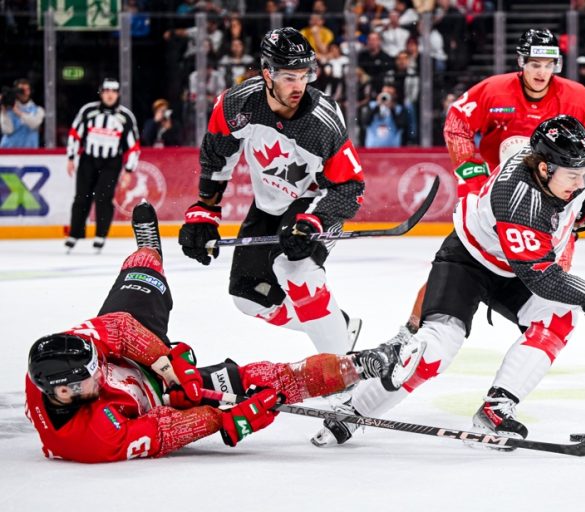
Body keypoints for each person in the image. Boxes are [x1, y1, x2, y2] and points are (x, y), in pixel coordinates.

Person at [312, 116, 585, 447]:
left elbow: (579, 188)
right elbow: (543, 276)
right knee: (434, 351)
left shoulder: (559, 170)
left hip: (514, 268)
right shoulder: (518, 201)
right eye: (576, 176)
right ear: (544, 169)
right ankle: (352, 411)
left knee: (558, 317)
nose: (581, 182)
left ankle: (496, 408)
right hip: (468, 263)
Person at [25, 201, 424, 463]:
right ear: (62, 392)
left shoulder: (70, 353)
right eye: (88, 380)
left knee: (142, 277)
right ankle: (361, 365)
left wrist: (166, 363)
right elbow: (165, 430)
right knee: (265, 381)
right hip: (158, 402)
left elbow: (121, 328)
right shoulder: (91, 440)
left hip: (141, 362)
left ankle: (148, 250)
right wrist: (228, 419)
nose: (96, 377)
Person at [396, 29, 585, 336]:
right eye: (534, 64)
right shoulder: (494, 90)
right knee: (466, 257)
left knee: (551, 273)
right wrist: (471, 172)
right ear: (521, 62)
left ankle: (539, 340)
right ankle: (414, 326)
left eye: (548, 65)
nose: (541, 72)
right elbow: (457, 124)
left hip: (554, 201)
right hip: (499, 198)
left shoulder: (577, 97)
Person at [177, 28, 366, 358]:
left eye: (305, 75)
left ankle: (342, 372)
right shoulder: (238, 104)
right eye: (290, 77)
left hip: (315, 204)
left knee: (296, 270)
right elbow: (217, 155)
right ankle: (338, 327)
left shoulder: (322, 123)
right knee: (247, 296)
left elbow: (349, 187)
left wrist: (313, 223)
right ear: (268, 72)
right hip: (268, 206)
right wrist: (204, 212)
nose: (299, 86)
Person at [65, 78, 140, 252]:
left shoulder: (125, 117)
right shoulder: (88, 111)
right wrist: (71, 157)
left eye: (113, 91)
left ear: (118, 94)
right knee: (81, 197)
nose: (110, 95)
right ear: (101, 93)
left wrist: (129, 170)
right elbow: (75, 134)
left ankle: (100, 235)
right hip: (88, 159)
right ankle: (75, 234)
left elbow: (134, 146)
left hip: (111, 162)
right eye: (106, 91)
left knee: (103, 197)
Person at [0, 78, 45, 148]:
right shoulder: (8, 109)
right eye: (21, 90)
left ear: (30, 91)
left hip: (29, 152)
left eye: (26, 90)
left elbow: (34, 124)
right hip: (8, 151)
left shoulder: (38, 110)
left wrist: (18, 112)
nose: (24, 93)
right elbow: (7, 131)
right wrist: (3, 112)